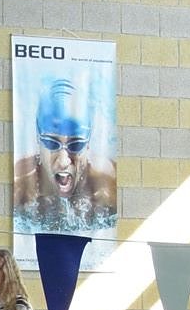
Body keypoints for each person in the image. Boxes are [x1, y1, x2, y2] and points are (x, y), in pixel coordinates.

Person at [13, 78, 116, 232]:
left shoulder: (108, 185)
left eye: (76, 145)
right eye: (51, 143)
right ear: (38, 139)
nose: (63, 161)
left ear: (88, 144)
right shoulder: (20, 184)